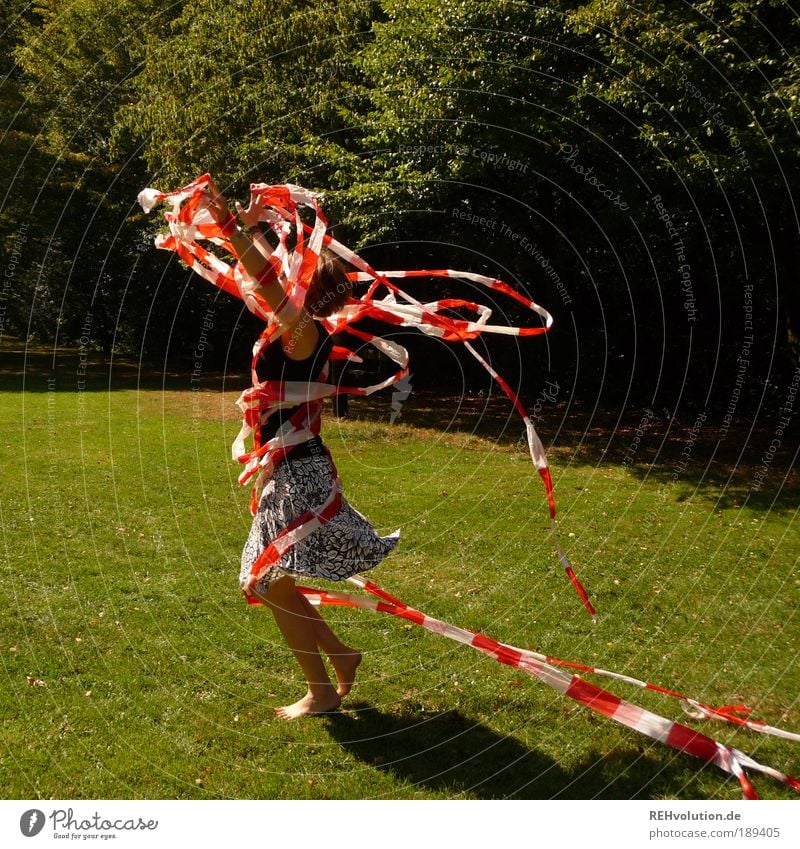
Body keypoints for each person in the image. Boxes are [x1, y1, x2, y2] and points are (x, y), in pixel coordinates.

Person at [202, 179, 398, 719]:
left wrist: (231, 228)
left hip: (299, 471)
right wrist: (248, 230)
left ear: (304, 290)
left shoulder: (303, 331)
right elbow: (266, 281)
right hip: (290, 467)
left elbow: (265, 281)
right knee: (271, 579)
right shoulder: (302, 330)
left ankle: (323, 689)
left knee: (265, 579)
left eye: (291, 278)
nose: (279, 284)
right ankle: (338, 659)